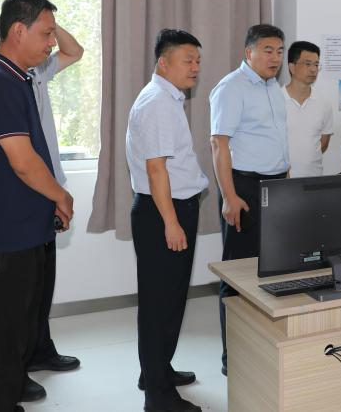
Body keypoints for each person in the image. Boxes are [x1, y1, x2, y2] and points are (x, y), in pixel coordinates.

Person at [0, 0, 74, 412]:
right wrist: (61, 194)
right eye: (46, 33)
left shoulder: (17, 79)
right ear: (17, 31)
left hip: (20, 234)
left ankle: (7, 401)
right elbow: (23, 162)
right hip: (0, 240)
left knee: (15, 335)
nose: (51, 43)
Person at [127, 29, 209, 412]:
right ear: (164, 62)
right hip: (163, 212)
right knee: (160, 304)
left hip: (169, 208)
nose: (195, 67)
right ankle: (158, 398)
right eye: (187, 60)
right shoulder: (159, 102)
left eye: (198, 61)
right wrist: (171, 223)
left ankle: (156, 371)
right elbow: (156, 169)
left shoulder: (167, 97)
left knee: (169, 299)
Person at [210, 24, 290, 376]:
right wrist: (229, 196)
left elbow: (277, 139)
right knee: (238, 272)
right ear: (249, 52)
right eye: (268, 50)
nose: (276, 58)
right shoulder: (231, 88)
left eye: (280, 51)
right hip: (244, 187)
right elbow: (219, 145)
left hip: (276, 185)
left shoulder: (273, 88)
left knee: (272, 266)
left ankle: (262, 344)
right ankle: (233, 356)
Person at [22, 20, 84, 397]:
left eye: (49, 36)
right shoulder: (8, 81)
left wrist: (53, 25)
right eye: (42, 34)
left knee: (44, 277)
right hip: (33, 186)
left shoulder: (39, 71)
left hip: (50, 184)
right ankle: (22, 360)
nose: (49, 43)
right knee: (27, 283)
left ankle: (41, 349)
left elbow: (75, 51)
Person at [283, 41, 334, 177]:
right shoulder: (276, 100)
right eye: (307, 64)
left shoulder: (324, 103)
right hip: (282, 179)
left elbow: (323, 143)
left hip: (314, 178)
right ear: (292, 67)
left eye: (316, 65)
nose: (313, 69)